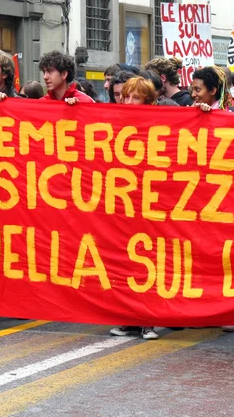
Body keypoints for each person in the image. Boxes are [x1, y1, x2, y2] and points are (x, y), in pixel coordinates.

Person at [108, 77, 159, 340]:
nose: (128, 102)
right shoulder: (111, 124)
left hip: (150, 209)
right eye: (124, 96)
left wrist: (205, 112)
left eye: (135, 97)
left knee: (147, 263)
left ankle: (148, 319)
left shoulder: (164, 126)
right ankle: (129, 317)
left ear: (149, 102)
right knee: (123, 262)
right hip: (121, 209)